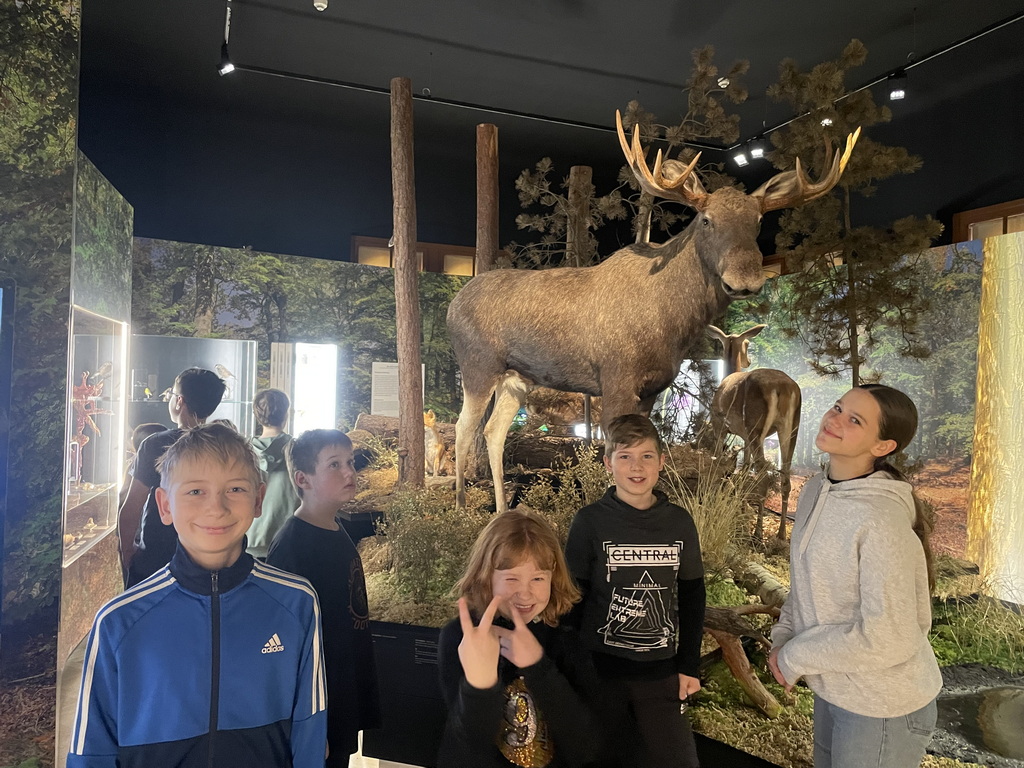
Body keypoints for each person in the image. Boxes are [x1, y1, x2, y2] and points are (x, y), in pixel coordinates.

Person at [68, 423, 327, 768]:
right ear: (164, 505)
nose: (216, 507)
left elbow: (310, 729)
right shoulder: (120, 621)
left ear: (258, 500)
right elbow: (92, 750)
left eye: (235, 488)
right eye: (195, 491)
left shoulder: (296, 602)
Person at [768, 384, 941, 768]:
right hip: (836, 687)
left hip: (882, 705)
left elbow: (889, 638)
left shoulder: (880, 519)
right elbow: (807, 585)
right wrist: (783, 637)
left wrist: (795, 655)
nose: (835, 420)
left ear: (883, 446)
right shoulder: (816, 490)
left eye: (855, 420)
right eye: (837, 407)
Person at [564, 413, 706, 768]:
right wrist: (571, 665)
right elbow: (572, 599)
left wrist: (689, 665)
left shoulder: (679, 523)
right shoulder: (590, 521)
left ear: (661, 461)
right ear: (608, 463)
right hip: (599, 669)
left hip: (660, 669)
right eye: (625, 456)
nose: (636, 466)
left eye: (646, 456)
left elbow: (692, 595)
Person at [437, 508, 603, 768]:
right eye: (512, 578)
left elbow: (586, 745)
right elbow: (469, 746)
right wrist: (479, 684)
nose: (525, 594)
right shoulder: (460, 637)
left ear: (553, 577)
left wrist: (538, 667)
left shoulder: (568, 637)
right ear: (485, 577)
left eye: (538, 578)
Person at [267, 429, 380, 767]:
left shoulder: (335, 526)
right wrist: (303, 723)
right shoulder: (292, 546)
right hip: (316, 703)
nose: (349, 472)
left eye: (350, 462)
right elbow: (282, 643)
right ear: (303, 479)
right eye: (334, 465)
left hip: (342, 688)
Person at [117, 367, 226, 587]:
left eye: (172, 394)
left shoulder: (154, 444)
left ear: (179, 401)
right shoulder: (223, 446)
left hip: (157, 558)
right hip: (207, 555)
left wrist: (127, 550)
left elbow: (132, 505)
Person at [246, 389, 300, 559]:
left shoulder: (244, 451)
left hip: (249, 539)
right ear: (286, 414)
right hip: (289, 539)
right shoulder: (298, 450)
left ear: (256, 415)